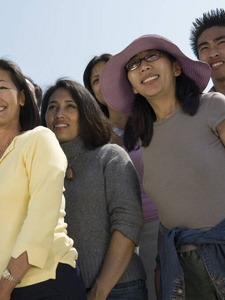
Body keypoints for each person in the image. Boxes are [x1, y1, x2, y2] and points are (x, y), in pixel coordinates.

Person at [100, 34, 225, 300]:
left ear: (177, 68)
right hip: (184, 273)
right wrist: (160, 270)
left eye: (152, 56)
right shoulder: (145, 141)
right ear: (133, 86)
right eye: (133, 65)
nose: (143, 66)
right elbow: (167, 214)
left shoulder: (213, 105)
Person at [0, 59, 85, 300]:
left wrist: (4, 287)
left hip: (46, 282)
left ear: (22, 97)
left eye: (2, 87)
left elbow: (42, 217)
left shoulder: (40, 139)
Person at [41, 79, 147, 300]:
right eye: (52, 107)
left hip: (120, 289)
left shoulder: (110, 156)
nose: (59, 113)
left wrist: (100, 289)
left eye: (70, 106)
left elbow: (128, 223)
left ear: (86, 113)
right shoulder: (41, 170)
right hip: (64, 292)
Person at [84, 54, 159, 300]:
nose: (104, 82)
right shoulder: (91, 138)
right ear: (91, 91)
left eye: (110, 73)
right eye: (96, 80)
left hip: (169, 223)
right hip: (125, 236)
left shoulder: (154, 114)